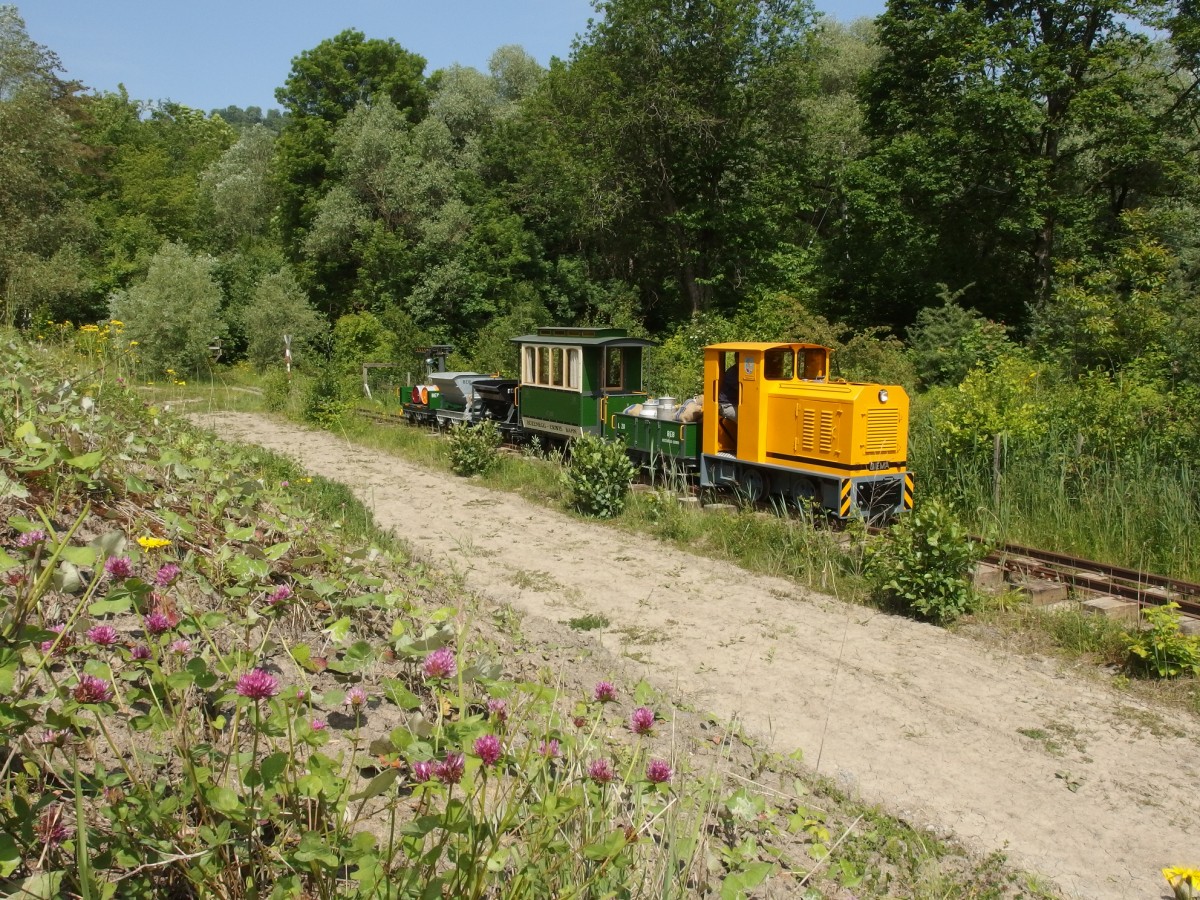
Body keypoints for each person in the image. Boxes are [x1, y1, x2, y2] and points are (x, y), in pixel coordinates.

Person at [718, 357, 739, 422]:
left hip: (737, 404)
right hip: (727, 405)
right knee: (746, 418)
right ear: (737, 359)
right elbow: (744, 390)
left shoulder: (742, 370)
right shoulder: (732, 373)